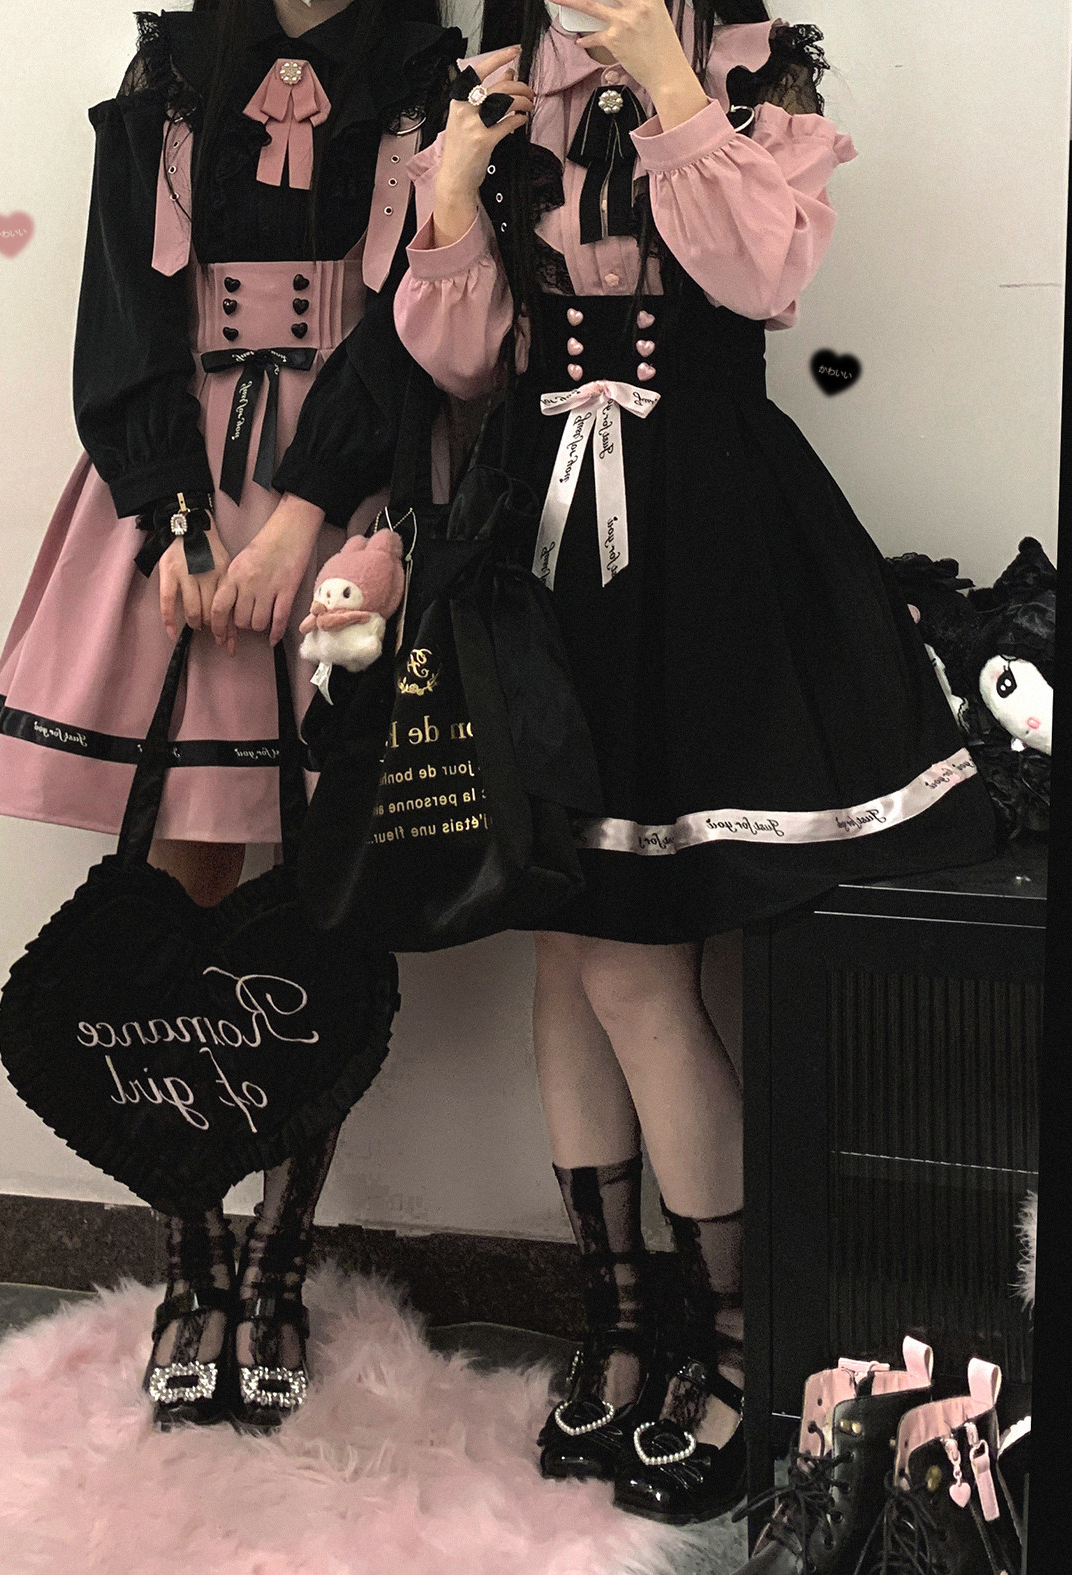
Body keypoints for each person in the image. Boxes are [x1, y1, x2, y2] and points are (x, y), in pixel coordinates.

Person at [392, 0, 998, 1523]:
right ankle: (620, 1325)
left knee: (633, 967)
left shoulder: (746, 82)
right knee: (562, 951)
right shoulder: (495, 90)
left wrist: (669, 86)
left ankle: (731, 1344)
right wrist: (451, 192)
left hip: (705, 550)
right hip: (541, 556)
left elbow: (758, 277)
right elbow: (461, 366)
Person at [0, 0, 463, 1433]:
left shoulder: (428, 76)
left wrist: (307, 521)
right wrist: (173, 520)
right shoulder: (173, 69)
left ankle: (275, 1265)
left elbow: (412, 330)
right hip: (184, 495)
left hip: (354, 500)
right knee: (183, 893)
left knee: (329, 889)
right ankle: (192, 1255)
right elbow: (121, 315)